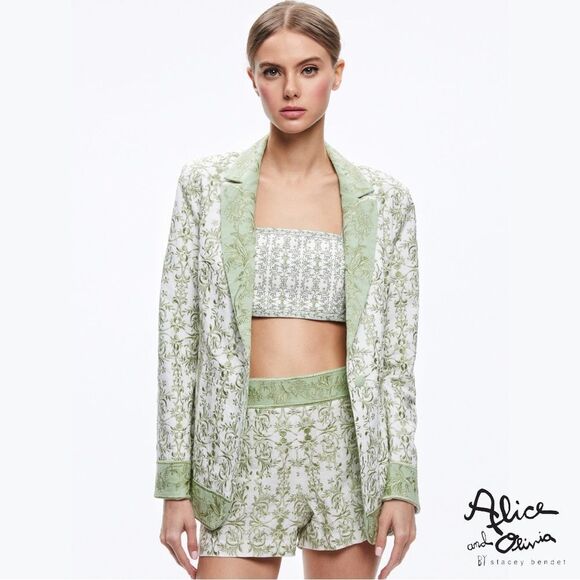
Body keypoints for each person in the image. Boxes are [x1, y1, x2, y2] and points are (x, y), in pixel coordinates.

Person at [155, 2, 421, 579]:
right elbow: (179, 342)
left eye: (309, 68)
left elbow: (395, 359)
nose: (291, 89)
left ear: (337, 73)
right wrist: (175, 484)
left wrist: (401, 483)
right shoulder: (206, 187)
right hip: (236, 448)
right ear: (252, 78)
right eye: (273, 71)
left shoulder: (384, 200)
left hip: (344, 448)